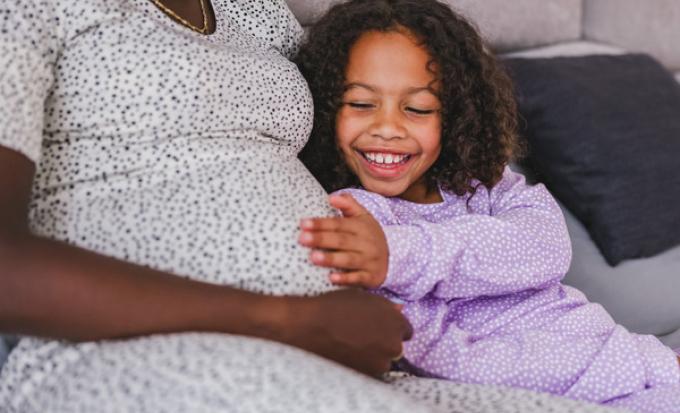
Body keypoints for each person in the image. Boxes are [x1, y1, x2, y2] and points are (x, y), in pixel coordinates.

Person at [295, 0, 680, 412]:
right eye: (360, 104)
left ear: (454, 116)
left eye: (418, 108)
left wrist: (405, 252)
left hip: (633, 357)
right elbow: (442, 357)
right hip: (593, 383)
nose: (388, 127)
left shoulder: (486, 186)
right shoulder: (359, 221)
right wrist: (644, 365)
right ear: (327, 106)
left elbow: (547, 249)